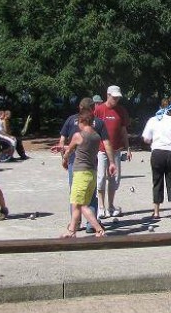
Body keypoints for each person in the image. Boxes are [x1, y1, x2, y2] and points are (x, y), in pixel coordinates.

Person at [54, 97, 114, 233]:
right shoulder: (98, 128)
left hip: (78, 169)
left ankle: (90, 228)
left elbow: (67, 145)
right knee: (89, 199)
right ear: (93, 109)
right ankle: (77, 230)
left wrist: (63, 157)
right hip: (92, 168)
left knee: (76, 201)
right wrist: (111, 162)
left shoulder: (74, 127)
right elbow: (107, 144)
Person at [60, 112, 106, 238]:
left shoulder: (78, 135)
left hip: (81, 173)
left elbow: (69, 150)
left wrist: (64, 159)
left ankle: (98, 229)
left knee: (80, 205)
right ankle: (71, 231)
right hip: (92, 172)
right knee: (77, 204)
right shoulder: (96, 136)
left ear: (82, 121)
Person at [142, 99, 171, 220]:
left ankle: (156, 212)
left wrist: (153, 140)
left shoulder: (153, 120)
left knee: (157, 181)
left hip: (158, 153)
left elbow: (146, 139)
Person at [94, 85, 131, 219]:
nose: (116, 100)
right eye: (114, 97)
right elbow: (92, 129)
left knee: (114, 180)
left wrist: (128, 148)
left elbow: (123, 131)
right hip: (101, 150)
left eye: (118, 98)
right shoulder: (99, 110)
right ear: (108, 95)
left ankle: (110, 206)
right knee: (101, 179)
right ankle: (101, 207)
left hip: (116, 150)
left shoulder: (121, 111)